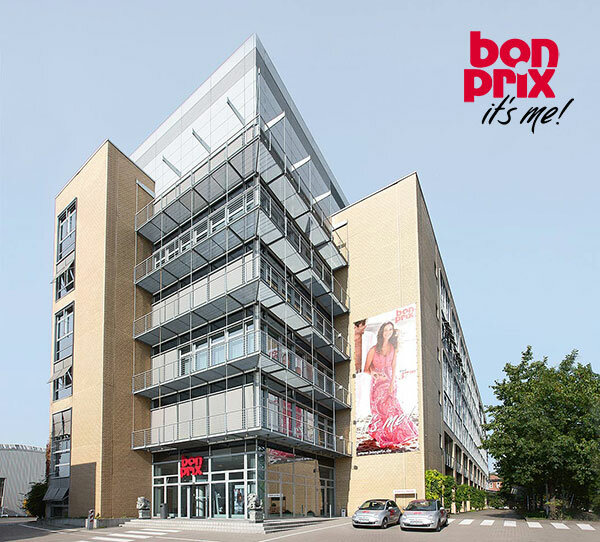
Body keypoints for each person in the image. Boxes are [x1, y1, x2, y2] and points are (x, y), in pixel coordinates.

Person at [363, 321, 418, 449]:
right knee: (381, 411)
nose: (388, 332)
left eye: (390, 330)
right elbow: (366, 369)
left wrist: (392, 383)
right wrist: (375, 374)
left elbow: (393, 367)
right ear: (381, 332)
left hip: (390, 382)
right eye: (386, 329)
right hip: (377, 385)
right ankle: (384, 435)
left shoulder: (393, 348)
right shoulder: (373, 350)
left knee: (393, 408)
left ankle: (396, 434)